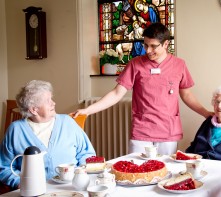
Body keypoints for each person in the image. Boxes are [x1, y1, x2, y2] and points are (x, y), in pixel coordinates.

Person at [73, 22, 211, 155]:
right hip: (142, 130)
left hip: (168, 130)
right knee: (137, 173)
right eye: (145, 45)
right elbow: (116, 93)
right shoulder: (135, 64)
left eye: (153, 46)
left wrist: (205, 113)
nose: (148, 50)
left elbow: (187, 95)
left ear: (166, 44)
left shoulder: (179, 65)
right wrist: (87, 110)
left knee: (166, 173)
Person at [0, 80, 96, 190]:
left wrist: (81, 173)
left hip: (70, 189)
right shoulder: (16, 130)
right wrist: (18, 182)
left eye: (51, 99)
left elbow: (87, 153)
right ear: (34, 110)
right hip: (34, 191)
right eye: (48, 101)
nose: (53, 103)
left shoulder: (67, 122)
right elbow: (4, 167)